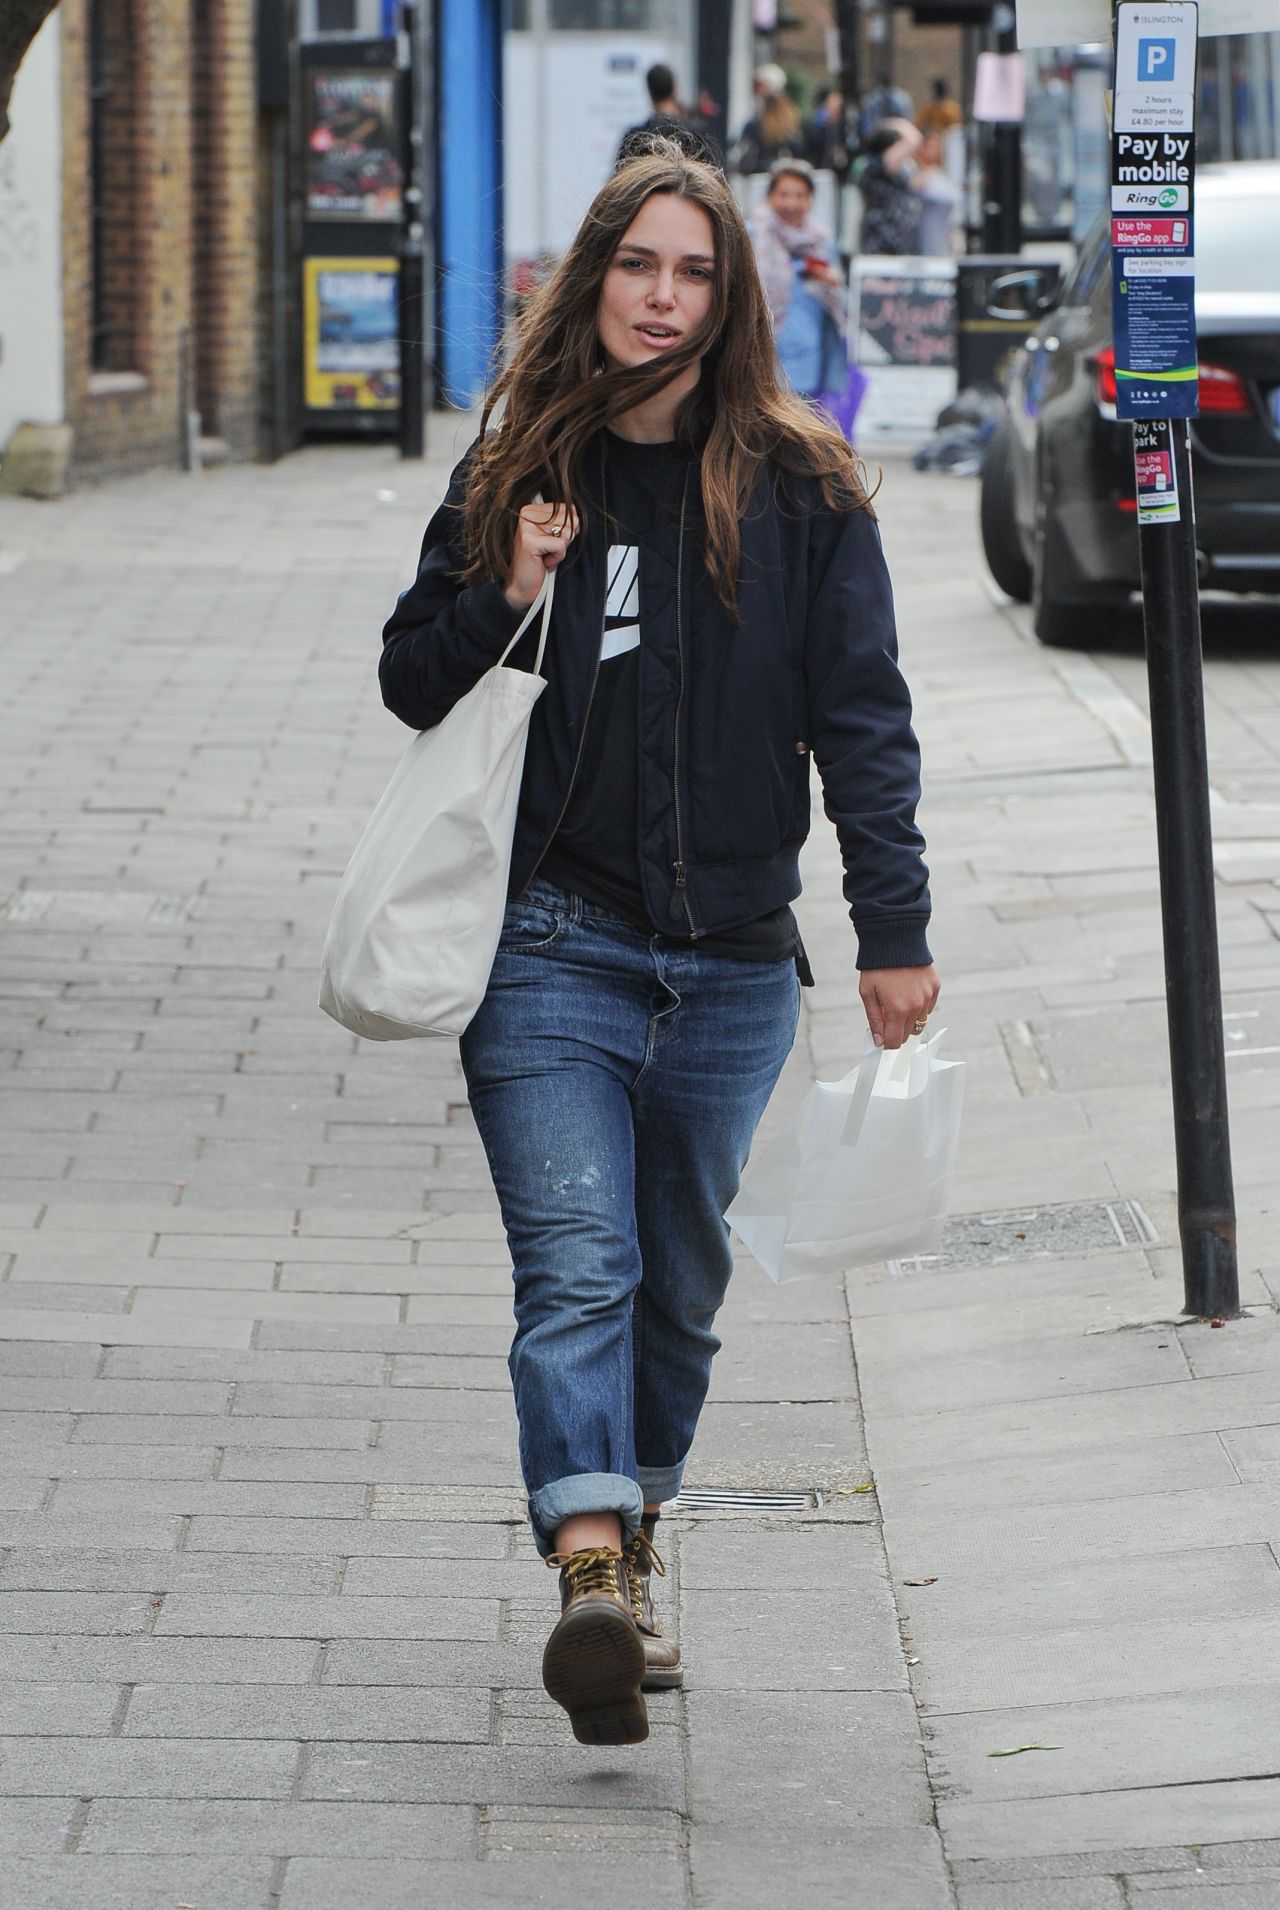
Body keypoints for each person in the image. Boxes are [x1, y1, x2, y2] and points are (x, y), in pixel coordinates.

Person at [378, 139, 938, 1749]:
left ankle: (633, 1539)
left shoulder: (806, 486)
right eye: (641, 266)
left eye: (695, 272)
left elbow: (867, 721)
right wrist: (503, 586)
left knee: (677, 1294)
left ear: (730, 292)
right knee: (580, 1266)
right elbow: (411, 678)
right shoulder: (520, 465)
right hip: (548, 942)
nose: (664, 297)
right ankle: (591, 1571)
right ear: (594, 276)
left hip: (738, 963)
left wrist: (891, 927)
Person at [750, 158, 849, 412]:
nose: (791, 203)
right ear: (770, 196)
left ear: (810, 200)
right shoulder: (753, 236)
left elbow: (843, 306)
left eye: (800, 195)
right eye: (784, 194)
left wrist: (831, 283)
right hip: (760, 358)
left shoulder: (821, 243)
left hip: (808, 364)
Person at [858, 118, 924, 256]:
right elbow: (914, 140)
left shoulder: (895, 168)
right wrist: (896, 123)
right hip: (883, 240)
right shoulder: (879, 164)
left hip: (901, 240)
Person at [729, 62, 803, 175]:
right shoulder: (792, 117)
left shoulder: (755, 124)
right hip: (780, 175)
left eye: (760, 87)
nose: (757, 93)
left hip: (762, 176)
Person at [914, 130, 961, 255]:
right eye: (928, 146)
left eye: (935, 147)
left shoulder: (943, 176)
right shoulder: (915, 173)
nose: (932, 151)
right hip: (923, 237)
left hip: (942, 236)